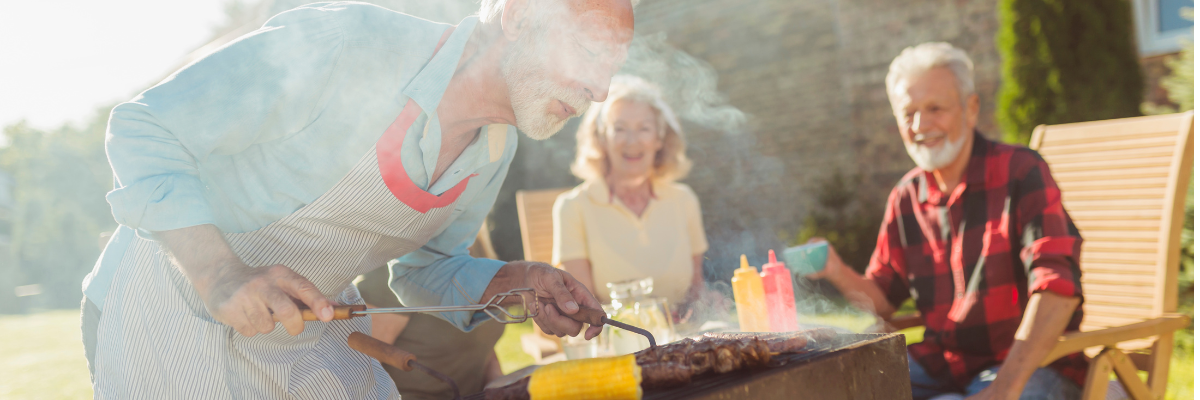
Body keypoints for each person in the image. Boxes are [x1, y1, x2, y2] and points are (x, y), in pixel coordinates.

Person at [80, 0, 634, 398]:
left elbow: (426, 270)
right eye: (589, 51)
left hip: (302, 335)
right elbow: (143, 127)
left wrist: (518, 279)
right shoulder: (350, 44)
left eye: (611, 64)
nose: (601, 88)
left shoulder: (495, 144)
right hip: (168, 307)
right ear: (518, 16)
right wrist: (220, 273)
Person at [806, 42, 1086, 400]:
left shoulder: (1021, 171)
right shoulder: (906, 196)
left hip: (1028, 365)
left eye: (935, 108)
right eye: (908, 113)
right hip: (941, 365)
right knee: (842, 389)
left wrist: (1004, 389)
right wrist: (835, 269)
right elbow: (884, 302)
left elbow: (1057, 290)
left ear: (971, 109)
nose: (921, 125)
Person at [552, 76, 712, 313]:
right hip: (620, 341)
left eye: (644, 129)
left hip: (685, 340)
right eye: (619, 128)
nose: (632, 141)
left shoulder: (684, 200)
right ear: (602, 138)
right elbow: (583, 307)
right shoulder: (572, 207)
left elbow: (696, 292)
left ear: (659, 138)